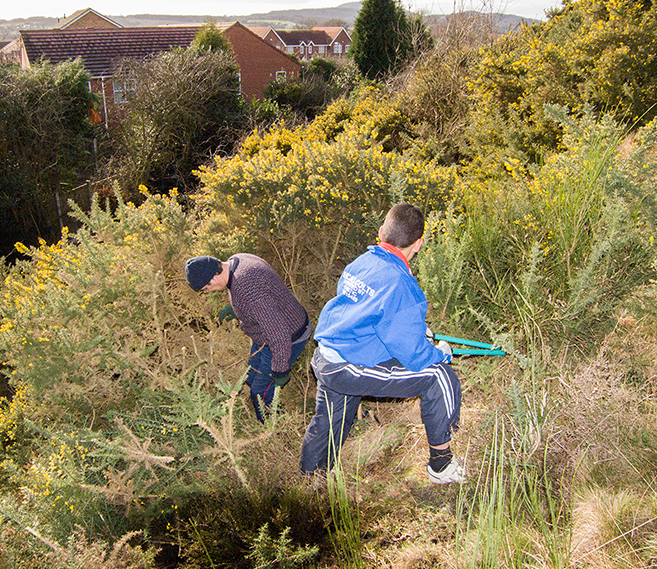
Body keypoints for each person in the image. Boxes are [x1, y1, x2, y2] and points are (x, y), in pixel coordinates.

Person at [299, 203, 465, 484]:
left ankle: (309, 479)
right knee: (439, 376)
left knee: (330, 420)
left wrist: (415, 331)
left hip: (327, 355)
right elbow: (414, 356)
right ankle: (441, 466)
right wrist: (441, 354)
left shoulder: (360, 264)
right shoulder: (400, 283)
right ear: (419, 243)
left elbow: (369, 315)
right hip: (347, 366)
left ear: (381, 233)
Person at [185, 253, 312, 423]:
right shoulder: (237, 261)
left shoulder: (247, 289)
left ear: (213, 278)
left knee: (260, 392)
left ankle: (276, 428)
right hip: (270, 331)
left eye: (206, 289)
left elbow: (279, 335)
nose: (208, 292)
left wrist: (280, 370)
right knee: (250, 378)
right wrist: (237, 309)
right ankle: (273, 413)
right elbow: (263, 296)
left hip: (289, 335)